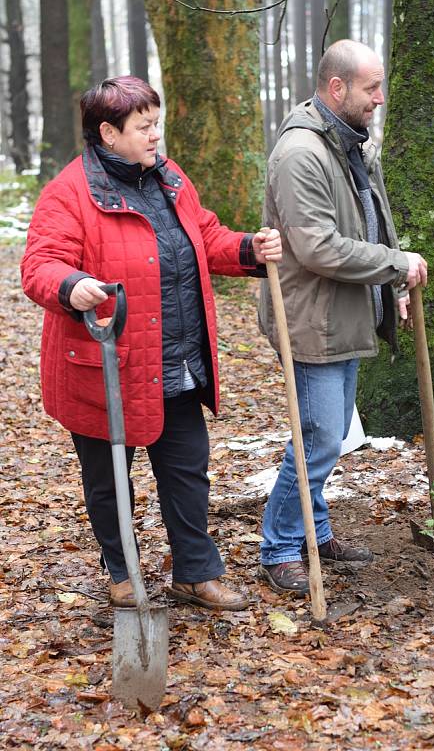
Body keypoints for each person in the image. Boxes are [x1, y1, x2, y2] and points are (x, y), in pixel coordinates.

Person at [21, 75, 281, 611]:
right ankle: (123, 572)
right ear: (107, 133)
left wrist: (248, 248)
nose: (155, 136)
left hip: (177, 358)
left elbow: (206, 237)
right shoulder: (69, 193)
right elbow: (39, 264)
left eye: (156, 124)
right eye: (144, 127)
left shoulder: (169, 180)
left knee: (187, 470)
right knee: (108, 481)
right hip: (105, 368)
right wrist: (72, 286)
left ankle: (195, 573)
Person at [257, 40, 428, 594]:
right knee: (318, 440)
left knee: (327, 437)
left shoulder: (352, 144)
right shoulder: (302, 154)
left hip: (346, 314)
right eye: (371, 88)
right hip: (312, 321)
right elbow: (319, 249)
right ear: (338, 89)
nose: (379, 98)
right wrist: (395, 264)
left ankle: (316, 531)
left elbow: (373, 222)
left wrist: (393, 283)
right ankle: (281, 547)